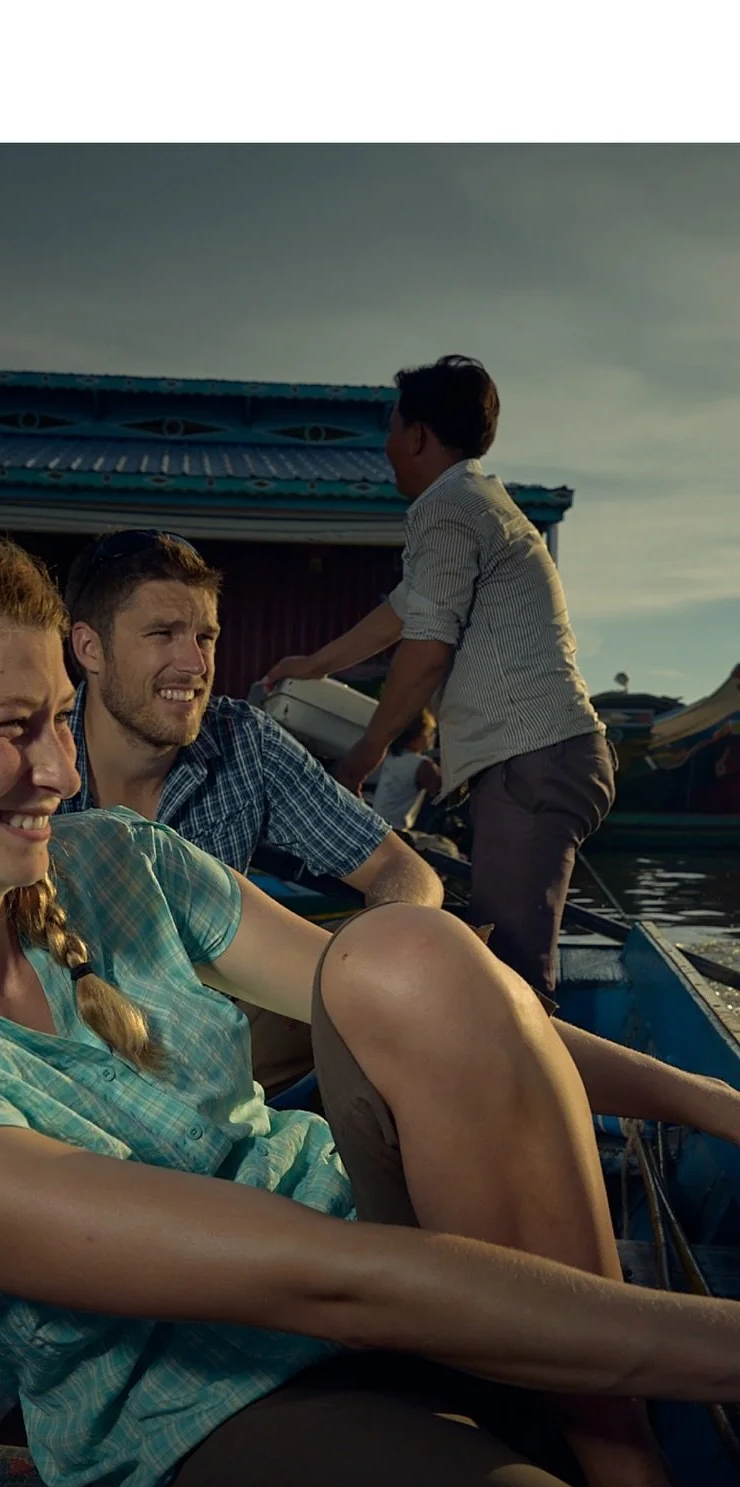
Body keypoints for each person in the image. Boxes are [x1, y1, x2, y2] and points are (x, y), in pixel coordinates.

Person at [0, 516, 740, 1487]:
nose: (66, 770)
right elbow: (337, 1286)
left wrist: (721, 1103)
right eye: (14, 731)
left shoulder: (120, 863)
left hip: (396, 1264)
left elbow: (472, 1019)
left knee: (407, 949)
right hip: (236, 1410)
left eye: (61, 723)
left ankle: (632, 1478)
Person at [264, 354, 614, 1000]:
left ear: (419, 435)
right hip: (544, 759)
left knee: (512, 974)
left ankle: (529, 1101)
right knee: (506, 957)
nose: (388, 446)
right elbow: (405, 610)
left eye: (393, 428)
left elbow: (425, 650)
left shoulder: (446, 509)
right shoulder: (475, 502)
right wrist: (314, 665)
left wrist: (361, 756)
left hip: (531, 761)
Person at [62, 527, 442, 1089]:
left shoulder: (243, 741)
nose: (193, 664)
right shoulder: (33, 757)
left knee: (439, 976)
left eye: (206, 637)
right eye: (162, 634)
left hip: (221, 1043)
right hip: (74, 1047)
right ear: (89, 649)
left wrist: (379, 951)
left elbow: (404, 869)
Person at [369, 709, 442, 830]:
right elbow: (441, 790)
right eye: (429, 733)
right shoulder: (423, 765)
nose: (431, 738)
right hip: (397, 830)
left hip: (377, 822)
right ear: (417, 736)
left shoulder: (391, 756)